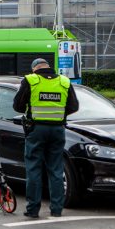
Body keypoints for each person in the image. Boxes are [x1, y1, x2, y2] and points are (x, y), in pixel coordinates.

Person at [13, 58, 79, 218]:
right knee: (56, 170)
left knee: (34, 169)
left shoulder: (30, 80)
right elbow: (74, 106)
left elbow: (18, 106)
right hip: (57, 129)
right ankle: (56, 209)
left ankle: (33, 209)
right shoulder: (64, 81)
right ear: (49, 67)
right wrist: (58, 114)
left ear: (34, 68)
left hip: (36, 129)